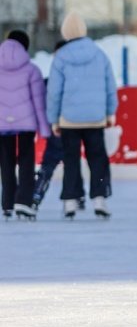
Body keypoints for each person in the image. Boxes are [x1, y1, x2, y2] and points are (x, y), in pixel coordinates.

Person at [47, 12, 118, 219]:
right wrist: (109, 112)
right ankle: (100, 199)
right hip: (95, 118)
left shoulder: (61, 56)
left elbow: (54, 91)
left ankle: (70, 201)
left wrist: (54, 119)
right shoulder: (99, 54)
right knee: (98, 159)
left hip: (69, 119)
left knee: (71, 159)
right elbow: (110, 86)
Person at [0, 30, 51, 220]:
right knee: (26, 162)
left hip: (2, 124)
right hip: (26, 124)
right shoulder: (32, 70)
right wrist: (44, 129)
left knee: (5, 163)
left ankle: (7, 204)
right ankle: (23, 201)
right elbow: (39, 102)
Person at [32, 40, 84, 209]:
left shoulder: (53, 80)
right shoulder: (74, 79)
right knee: (71, 161)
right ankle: (77, 196)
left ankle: (37, 193)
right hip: (65, 127)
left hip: (59, 126)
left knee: (53, 162)